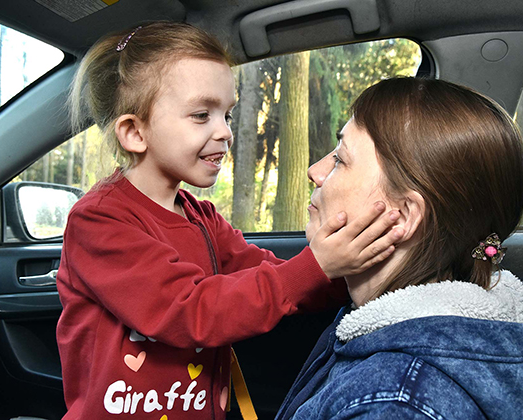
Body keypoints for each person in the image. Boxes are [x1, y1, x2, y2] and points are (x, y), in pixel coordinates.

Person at [57, 22, 402, 420]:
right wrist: (317, 265)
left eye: (228, 114)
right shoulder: (99, 220)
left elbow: (268, 274)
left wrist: (352, 274)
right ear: (134, 132)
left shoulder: (201, 217)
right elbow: (189, 311)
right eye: (201, 115)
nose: (225, 131)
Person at [276, 77, 523, 420]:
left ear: (404, 216)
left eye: (340, 160)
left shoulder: (394, 405)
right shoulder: (389, 323)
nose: (315, 171)